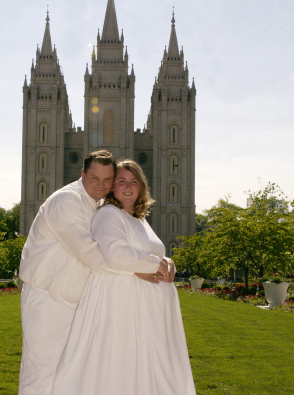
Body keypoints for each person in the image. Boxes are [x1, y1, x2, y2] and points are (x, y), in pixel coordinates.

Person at [18, 151, 174, 395]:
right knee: (40, 373)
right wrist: (138, 269)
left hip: (78, 302)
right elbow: (89, 253)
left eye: (107, 179)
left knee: (68, 375)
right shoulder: (66, 202)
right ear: (83, 174)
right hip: (49, 299)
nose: (101, 185)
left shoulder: (101, 205)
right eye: (94, 178)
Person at [51, 160, 196, 395]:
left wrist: (166, 261)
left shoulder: (137, 218)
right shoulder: (109, 214)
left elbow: (149, 251)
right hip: (121, 305)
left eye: (134, 181)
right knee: (120, 363)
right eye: (121, 181)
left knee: (143, 366)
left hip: (144, 311)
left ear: (141, 187)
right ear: (112, 187)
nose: (128, 186)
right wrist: (154, 263)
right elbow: (115, 253)